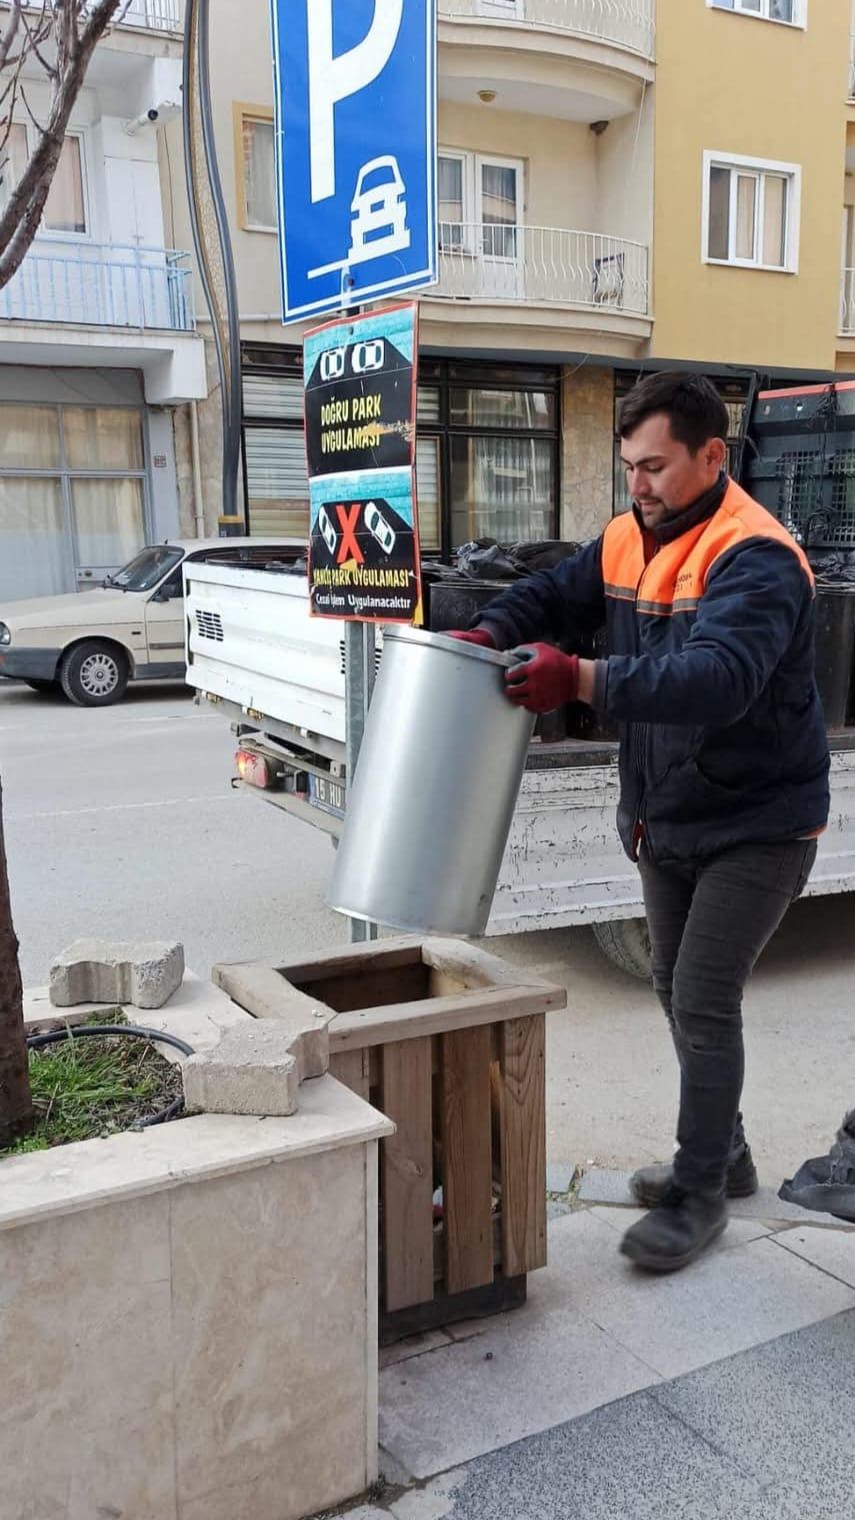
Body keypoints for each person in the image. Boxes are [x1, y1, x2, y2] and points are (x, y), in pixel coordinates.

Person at [449, 371, 830, 1273]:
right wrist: (489, 628)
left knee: (701, 997)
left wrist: (579, 679)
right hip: (665, 815)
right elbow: (551, 596)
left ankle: (699, 1191)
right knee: (669, 983)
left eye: (656, 467)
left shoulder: (757, 557)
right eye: (628, 467)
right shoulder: (628, 537)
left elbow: (717, 679)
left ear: (710, 454)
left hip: (758, 822)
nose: (640, 486)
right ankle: (723, 1154)